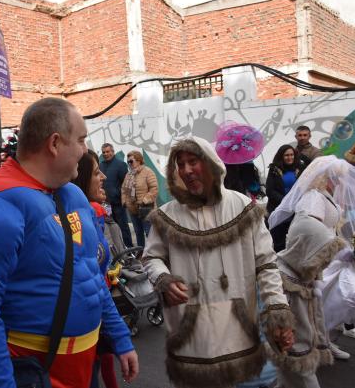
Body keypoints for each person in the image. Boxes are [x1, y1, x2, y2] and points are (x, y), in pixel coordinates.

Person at [0, 98, 138, 388]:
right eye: (81, 140)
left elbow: (91, 275)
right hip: (34, 372)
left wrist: (120, 338)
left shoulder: (74, 196)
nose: (85, 150)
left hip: (85, 367)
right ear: (55, 143)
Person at [142, 136, 293, 388]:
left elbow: (266, 265)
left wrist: (277, 309)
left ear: (211, 163)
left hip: (239, 330)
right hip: (192, 334)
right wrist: (163, 279)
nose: (187, 170)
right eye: (180, 164)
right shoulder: (167, 215)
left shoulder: (243, 207)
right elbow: (151, 257)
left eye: (193, 161)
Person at [269, 156, 355, 359]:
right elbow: (309, 228)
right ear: (325, 177)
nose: (339, 183)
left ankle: (323, 342)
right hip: (318, 255)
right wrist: (340, 249)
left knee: (325, 302)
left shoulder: (325, 195)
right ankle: (310, 347)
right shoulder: (313, 197)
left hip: (327, 255)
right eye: (335, 178)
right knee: (319, 303)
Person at [272, 213, 339, 388]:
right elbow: (275, 314)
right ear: (304, 249)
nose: (323, 264)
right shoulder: (282, 278)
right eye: (320, 257)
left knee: (285, 381)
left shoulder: (305, 274)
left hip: (303, 343)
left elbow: (316, 313)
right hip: (293, 348)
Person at [72, 150, 119, 388]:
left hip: (98, 315)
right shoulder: (80, 218)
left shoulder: (91, 212)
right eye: (97, 172)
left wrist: (121, 337)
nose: (103, 177)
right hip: (77, 337)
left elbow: (97, 278)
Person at [266, 145, 303, 252]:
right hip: (279, 210)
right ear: (281, 156)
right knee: (279, 243)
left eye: (291, 155)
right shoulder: (274, 169)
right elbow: (270, 191)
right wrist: (286, 202)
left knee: (295, 241)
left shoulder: (299, 168)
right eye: (286, 155)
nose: (289, 157)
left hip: (296, 211)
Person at [121, 150, 158, 248]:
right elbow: (123, 190)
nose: (129, 163)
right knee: (138, 233)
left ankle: (152, 254)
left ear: (139, 160)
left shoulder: (148, 172)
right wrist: (125, 201)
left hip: (146, 209)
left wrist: (145, 200)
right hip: (133, 210)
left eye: (131, 161)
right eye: (128, 162)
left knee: (149, 233)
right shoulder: (128, 175)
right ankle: (141, 253)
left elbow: (154, 189)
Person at [99, 143, 133, 248]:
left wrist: (119, 195)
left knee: (123, 227)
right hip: (106, 205)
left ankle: (130, 249)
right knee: (110, 229)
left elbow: (126, 184)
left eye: (108, 151)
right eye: (104, 152)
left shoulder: (121, 165)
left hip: (118, 203)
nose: (106, 154)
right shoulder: (100, 166)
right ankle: (118, 251)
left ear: (113, 152)